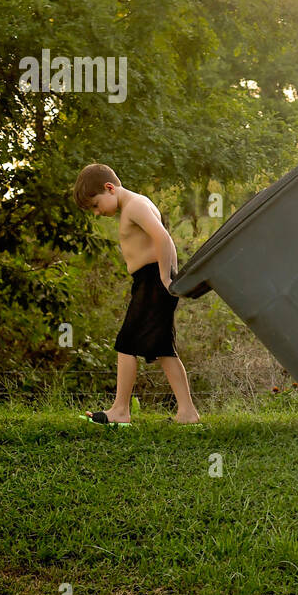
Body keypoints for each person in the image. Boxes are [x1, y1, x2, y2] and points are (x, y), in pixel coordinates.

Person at [73, 163, 201, 425]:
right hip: (148, 280)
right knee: (164, 348)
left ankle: (120, 411)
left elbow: (163, 238)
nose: (97, 212)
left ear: (109, 188)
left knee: (126, 342)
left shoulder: (135, 206)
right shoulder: (133, 205)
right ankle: (187, 413)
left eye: (96, 205)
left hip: (154, 281)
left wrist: (166, 277)